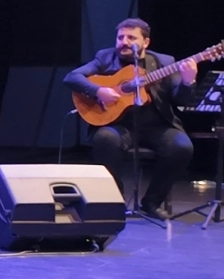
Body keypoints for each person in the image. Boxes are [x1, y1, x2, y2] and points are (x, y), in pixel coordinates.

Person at [63, 18, 196, 219]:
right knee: (105, 139)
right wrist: (99, 91)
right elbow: (72, 77)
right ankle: (115, 200)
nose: (124, 42)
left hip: (157, 125)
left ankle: (151, 202)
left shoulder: (165, 62)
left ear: (146, 42)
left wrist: (188, 81)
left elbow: (181, 100)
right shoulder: (105, 57)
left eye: (131, 38)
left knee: (182, 147)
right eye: (120, 37)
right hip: (118, 125)